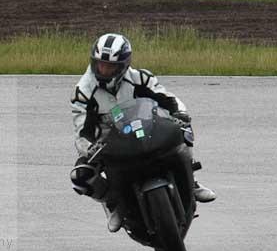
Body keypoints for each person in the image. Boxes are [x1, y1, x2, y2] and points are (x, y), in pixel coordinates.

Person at [70, 33, 216, 232]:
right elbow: (81, 127)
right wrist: (89, 148)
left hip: (144, 129)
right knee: (80, 176)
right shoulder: (83, 91)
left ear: (123, 65)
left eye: (110, 66)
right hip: (107, 142)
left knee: (184, 129)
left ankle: (191, 180)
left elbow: (167, 98)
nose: (103, 70)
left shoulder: (141, 78)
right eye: (100, 64)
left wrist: (180, 113)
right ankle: (114, 203)